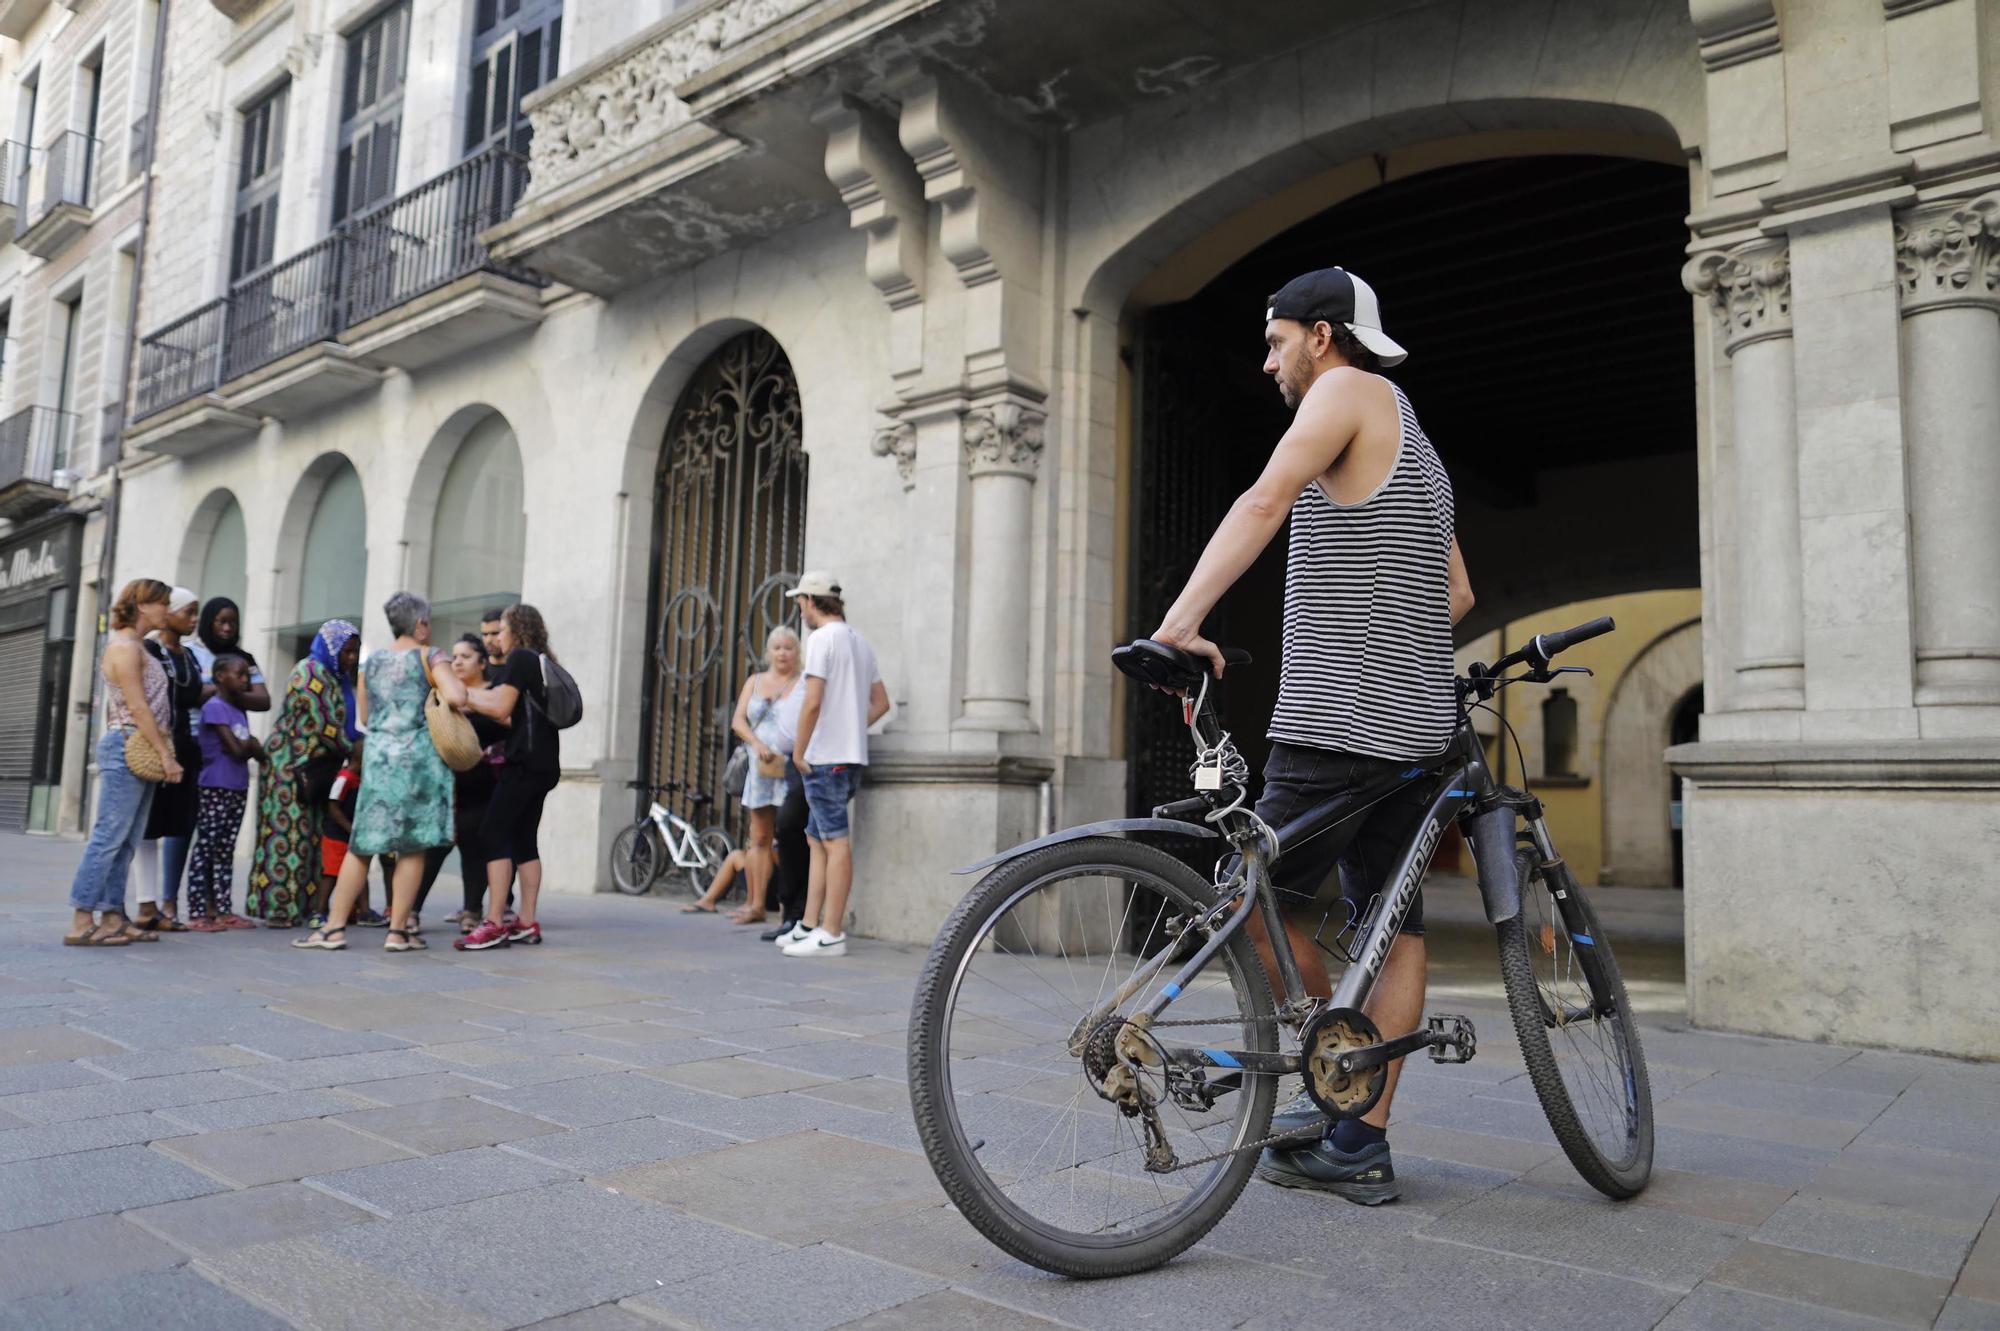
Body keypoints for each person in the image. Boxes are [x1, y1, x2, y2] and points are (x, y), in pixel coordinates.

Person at [1147, 267, 1474, 1205]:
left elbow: (1264, 498)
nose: (1267, 361)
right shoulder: (1416, 439)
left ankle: (1323, 1049)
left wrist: (1179, 623)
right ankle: (1356, 1136)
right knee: (1393, 923)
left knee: (1249, 892)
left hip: (1337, 717)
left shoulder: (1345, 391)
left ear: (1322, 336)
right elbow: (1457, 593)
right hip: (1414, 722)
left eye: (1275, 340)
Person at [295, 592, 467, 953]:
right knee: (412, 846)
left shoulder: (370, 663)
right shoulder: (430, 655)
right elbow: (456, 696)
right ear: (420, 624)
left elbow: (365, 718)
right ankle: (398, 932)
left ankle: (334, 928)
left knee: (362, 846)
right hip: (419, 762)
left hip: (379, 761)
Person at [777, 573, 888, 959]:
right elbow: (881, 703)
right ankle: (810, 924)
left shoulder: (822, 639)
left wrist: (799, 750)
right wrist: (851, 729)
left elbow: (812, 701)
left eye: (800, 602)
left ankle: (832, 931)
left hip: (825, 758)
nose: (800, 610)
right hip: (848, 756)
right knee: (817, 838)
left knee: (835, 842)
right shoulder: (860, 642)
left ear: (811, 600)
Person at [65, 578, 181, 946]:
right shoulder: (125, 649)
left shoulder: (139, 646)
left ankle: (113, 915)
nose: (168, 610)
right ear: (143, 605)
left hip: (138, 745)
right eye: (163, 603)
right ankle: (81, 919)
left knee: (127, 839)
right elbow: (137, 706)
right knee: (109, 836)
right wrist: (165, 755)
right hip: (128, 745)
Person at [457, 603, 559, 951]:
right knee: (523, 841)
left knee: (491, 833)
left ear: (516, 630)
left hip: (523, 763)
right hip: (544, 764)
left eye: (501, 630)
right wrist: (472, 699)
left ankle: (494, 922)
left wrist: (462, 695)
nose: (497, 637)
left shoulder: (520, 658)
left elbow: (500, 709)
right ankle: (527, 922)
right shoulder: (542, 660)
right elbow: (506, 706)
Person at [246, 620, 360, 926]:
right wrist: (359, 750)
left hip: (315, 769)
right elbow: (325, 726)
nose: (351, 658)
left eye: (354, 652)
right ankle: (280, 910)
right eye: (346, 651)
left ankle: (307, 908)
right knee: (287, 838)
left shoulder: (335, 677)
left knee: (309, 839)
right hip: (289, 768)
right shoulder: (308, 672)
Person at [412, 633, 514, 932]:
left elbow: (507, 727)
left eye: (465, 657)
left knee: (475, 849)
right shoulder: (442, 693)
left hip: (484, 785)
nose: (456, 662)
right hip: (445, 785)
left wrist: (471, 706)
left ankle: (472, 910)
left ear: (482, 663)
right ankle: (411, 911)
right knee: (433, 849)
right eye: (454, 657)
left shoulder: (495, 694)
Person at [700, 626, 802, 920]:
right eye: (777, 647)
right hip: (760, 768)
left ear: (797, 652)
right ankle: (755, 904)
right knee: (758, 837)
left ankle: (789, 906)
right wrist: (756, 744)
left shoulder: (801, 683)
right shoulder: (755, 681)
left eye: (789, 647)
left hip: (788, 766)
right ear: (768, 652)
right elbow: (738, 720)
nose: (783, 653)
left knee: (789, 836)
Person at [133, 588, 206, 932]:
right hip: (156, 747)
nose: (193, 620)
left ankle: (165, 905)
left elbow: (193, 695)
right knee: (148, 827)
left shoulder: (190, 656)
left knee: (176, 825)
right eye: (188, 612)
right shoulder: (149, 649)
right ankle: (145, 904)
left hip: (185, 748)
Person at [184, 653, 266, 931]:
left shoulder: (238, 710)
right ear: (220, 676)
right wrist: (251, 744)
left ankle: (223, 909)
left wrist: (251, 746)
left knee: (225, 849)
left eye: (247, 674)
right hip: (215, 786)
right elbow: (238, 749)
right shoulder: (215, 707)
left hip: (237, 786)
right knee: (206, 847)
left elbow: (251, 749)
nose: (245, 680)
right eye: (240, 674)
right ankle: (197, 911)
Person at [189, 597, 272, 713]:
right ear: (209, 622)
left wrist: (230, 692)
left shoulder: (244, 658)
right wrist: (222, 688)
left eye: (232, 623)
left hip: (235, 728)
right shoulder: (188, 652)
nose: (227, 628)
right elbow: (186, 696)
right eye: (221, 622)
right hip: (195, 728)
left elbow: (263, 701)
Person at [316, 739, 363, 929]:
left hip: (350, 835)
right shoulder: (344, 778)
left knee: (359, 871)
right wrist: (349, 828)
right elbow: (333, 807)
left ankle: (362, 910)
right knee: (332, 873)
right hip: (336, 835)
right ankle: (319, 911)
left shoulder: (360, 779)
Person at [480, 608, 507, 678]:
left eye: (495, 633)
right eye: (485, 634)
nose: (489, 640)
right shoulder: (478, 669)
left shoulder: (518, 668)